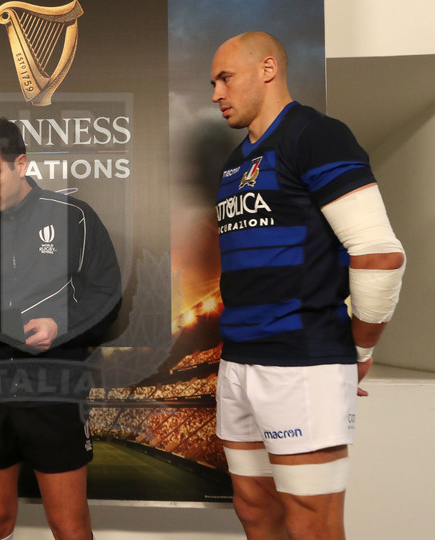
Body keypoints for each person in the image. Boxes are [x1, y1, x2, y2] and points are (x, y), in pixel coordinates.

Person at [209, 31, 405, 539]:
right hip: (238, 361)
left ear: (267, 69)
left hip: (303, 362)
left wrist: (359, 350)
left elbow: (379, 256)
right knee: (253, 506)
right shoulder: (235, 163)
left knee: (311, 520)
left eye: (225, 78)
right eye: (213, 82)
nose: (215, 93)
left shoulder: (318, 135)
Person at [0, 117, 121, 540]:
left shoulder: (75, 218)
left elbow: (108, 298)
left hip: (52, 390)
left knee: (69, 526)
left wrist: (60, 325)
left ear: (22, 164)